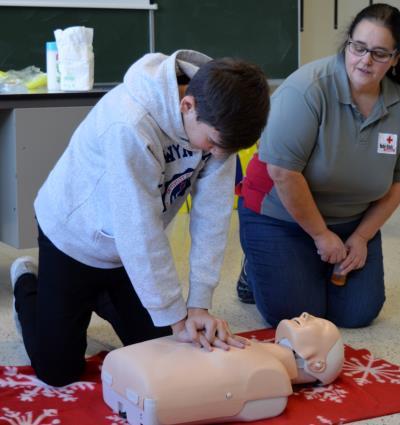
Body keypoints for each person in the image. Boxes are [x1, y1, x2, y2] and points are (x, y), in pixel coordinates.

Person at [9, 49, 270, 387]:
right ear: (187, 106)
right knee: (58, 371)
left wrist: (198, 305)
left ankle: (103, 295)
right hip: (73, 238)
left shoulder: (223, 122)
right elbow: (139, 230)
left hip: (125, 254)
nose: (218, 155)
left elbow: (213, 216)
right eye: (214, 144)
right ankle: (26, 283)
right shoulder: (130, 123)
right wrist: (175, 316)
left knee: (162, 350)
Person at [236, 3, 400, 328]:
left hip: (352, 222)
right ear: (348, 43)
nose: (365, 60)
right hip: (281, 218)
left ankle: (310, 265)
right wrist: (321, 235)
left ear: (394, 58)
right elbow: (283, 172)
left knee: (358, 314)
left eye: (378, 53)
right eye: (358, 47)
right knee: (302, 318)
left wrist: (362, 236)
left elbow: (398, 184)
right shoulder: (307, 89)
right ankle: (255, 266)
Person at [102, 312, 344, 424]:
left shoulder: (271, 375)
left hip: (148, 385)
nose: (306, 314)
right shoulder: (263, 359)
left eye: (318, 326)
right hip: (142, 377)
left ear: (317, 364)